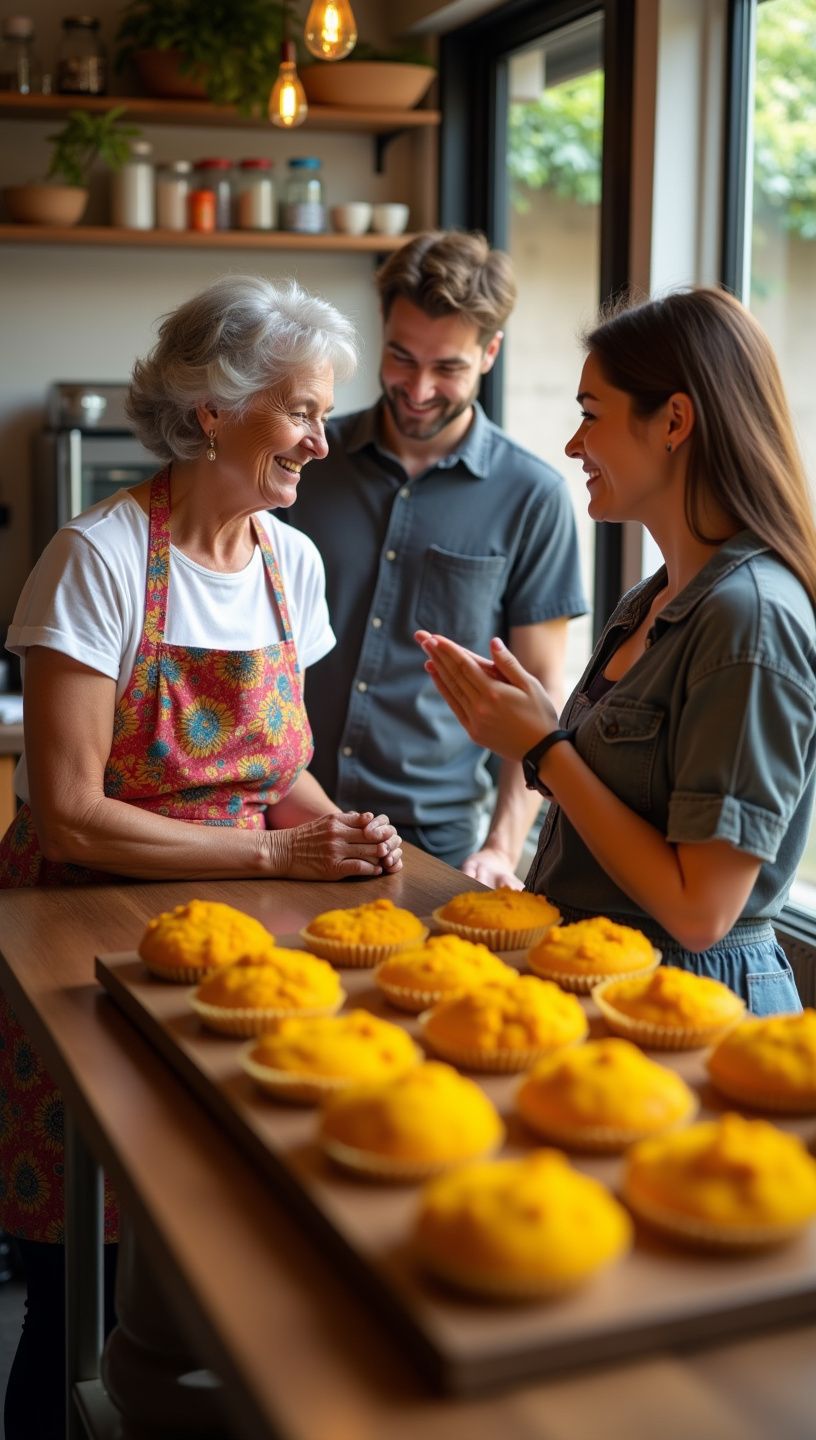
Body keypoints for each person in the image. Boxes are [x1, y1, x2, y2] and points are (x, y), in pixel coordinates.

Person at [0, 273, 402, 1440]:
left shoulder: (290, 565)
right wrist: (283, 851)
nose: (324, 441)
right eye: (302, 412)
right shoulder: (100, 556)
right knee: (79, 1268)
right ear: (214, 409)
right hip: (86, 951)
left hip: (242, 948)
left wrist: (340, 830)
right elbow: (69, 811)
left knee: (220, 1240)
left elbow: (279, 769)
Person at [418, 285, 816, 1016]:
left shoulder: (749, 617)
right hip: (598, 982)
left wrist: (543, 749)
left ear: (673, 421)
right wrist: (532, 724)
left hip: (689, 1008)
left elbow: (702, 913)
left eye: (590, 416)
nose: (573, 444)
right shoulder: (654, 599)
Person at [284, 230, 587, 888]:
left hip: (433, 845)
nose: (418, 388)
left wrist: (502, 848)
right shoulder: (302, 461)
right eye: (400, 357)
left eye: (447, 367)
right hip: (280, 820)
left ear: (489, 353)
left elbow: (537, 693)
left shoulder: (533, 497)